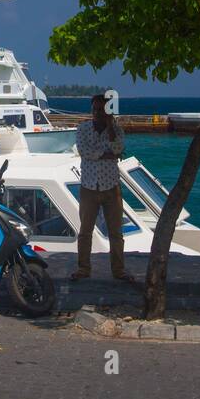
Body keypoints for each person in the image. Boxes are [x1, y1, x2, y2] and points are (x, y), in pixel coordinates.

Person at [72, 94, 133, 282]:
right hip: (89, 186)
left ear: (109, 111)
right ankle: (83, 269)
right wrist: (105, 154)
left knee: (116, 232)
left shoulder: (117, 130)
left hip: (111, 186)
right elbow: (84, 151)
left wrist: (110, 129)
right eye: (95, 109)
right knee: (85, 231)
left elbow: (117, 149)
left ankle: (119, 270)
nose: (98, 113)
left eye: (102, 109)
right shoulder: (83, 129)